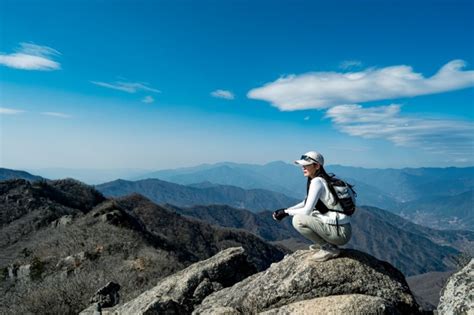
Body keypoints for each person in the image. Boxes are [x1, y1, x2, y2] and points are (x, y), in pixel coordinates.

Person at [272, 151, 352, 261]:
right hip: (343, 229)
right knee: (311, 214)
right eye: (302, 165)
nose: (303, 168)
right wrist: (286, 210)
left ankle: (328, 248)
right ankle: (327, 244)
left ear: (317, 166)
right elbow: (306, 202)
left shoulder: (317, 182)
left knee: (298, 220)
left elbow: (306, 210)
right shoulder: (324, 180)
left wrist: (286, 213)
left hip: (339, 232)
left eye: (306, 165)